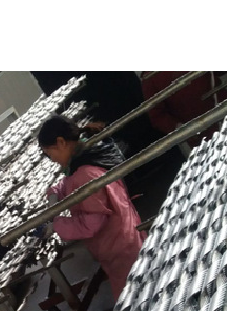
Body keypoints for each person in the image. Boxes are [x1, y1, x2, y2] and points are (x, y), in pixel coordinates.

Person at [38, 115, 146, 301]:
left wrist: (57, 225)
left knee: (135, 300)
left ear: (61, 142)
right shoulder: (87, 156)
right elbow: (70, 184)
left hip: (119, 248)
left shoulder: (85, 174)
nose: (51, 159)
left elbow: (92, 223)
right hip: (125, 236)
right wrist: (54, 193)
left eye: (49, 153)